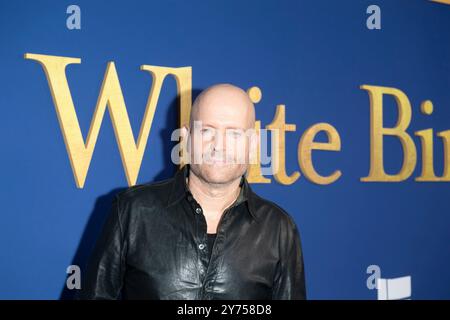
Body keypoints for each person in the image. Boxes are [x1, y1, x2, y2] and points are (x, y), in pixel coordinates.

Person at [79, 83, 306, 299]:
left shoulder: (279, 228)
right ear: (186, 138)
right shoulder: (133, 211)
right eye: (207, 131)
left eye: (234, 134)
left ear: (254, 144)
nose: (219, 146)